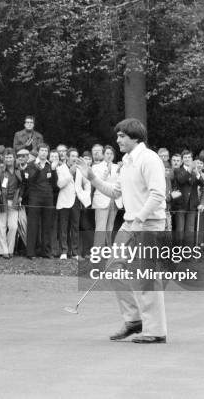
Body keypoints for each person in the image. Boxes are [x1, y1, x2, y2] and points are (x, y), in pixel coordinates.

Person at [76, 117, 168, 344]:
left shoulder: (150, 159)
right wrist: (92, 177)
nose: (117, 140)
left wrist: (140, 218)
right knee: (113, 268)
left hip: (150, 224)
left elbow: (158, 194)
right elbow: (115, 192)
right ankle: (134, 320)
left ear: (135, 137)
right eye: (117, 136)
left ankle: (156, 331)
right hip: (130, 223)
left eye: (122, 136)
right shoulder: (126, 162)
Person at [56, 148, 91, 260]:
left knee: (75, 227)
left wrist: (85, 194)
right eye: (72, 156)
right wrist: (70, 173)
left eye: (76, 156)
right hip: (64, 201)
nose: (75, 158)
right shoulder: (60, 168)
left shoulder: (80, 169)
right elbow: (60, 184)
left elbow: (86, 183)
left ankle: (75, 253)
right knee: (63, 227)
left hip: (76, 201)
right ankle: (64, 252)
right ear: (67, 157)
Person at [25, 143, 56, 259]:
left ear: (48, 153)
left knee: (47, 225)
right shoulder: (31, 165)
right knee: (33, 225)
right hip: (35, 197)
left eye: (45, 151)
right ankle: (31, 252)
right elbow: (30, 182)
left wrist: (53, 171)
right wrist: (38, 170)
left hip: (48, 197)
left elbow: (54, 184)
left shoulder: (50, 165)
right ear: (38, 152)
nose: (44, 153)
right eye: (42, 150)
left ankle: (46, 252)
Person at [172, 150, 204, 247]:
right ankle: (177, 255)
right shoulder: (178, 170)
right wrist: (190, 169)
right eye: (185, 157)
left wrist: (197, 173)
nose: (187, 159)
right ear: (182, 160)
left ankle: (187, 256)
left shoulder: (195, 172)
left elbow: (203, 184)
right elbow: (181, 180)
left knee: (189, 232)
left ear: (192, 159)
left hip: (192, 206)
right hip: (181, 205)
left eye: (189, 157)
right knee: (180, 231)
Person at [0, 148, 23, 259]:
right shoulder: (0, 170)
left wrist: (20, 196)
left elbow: (23, 185)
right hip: (2, 200)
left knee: (13, 226)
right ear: (3, 158)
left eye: (10, 157)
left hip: (14, 200)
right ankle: (3, 251)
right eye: (6, 157)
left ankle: (10, 249)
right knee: (2, 226)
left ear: (14, 158)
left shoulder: (18, 170)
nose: (8, 159)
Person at [92, 145, 120, 248]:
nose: (109, 156)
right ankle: (97, 251)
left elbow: (120, 183)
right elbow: (97, 183)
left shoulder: (117, 167)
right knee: (100, 227)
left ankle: (107, 250)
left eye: (111, 154)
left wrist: (121, 170)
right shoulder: (96, 167)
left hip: (114, 199)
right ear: (103, 155)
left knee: (110, 227)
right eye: (107, 153)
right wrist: (107, 171)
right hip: (101, 199)